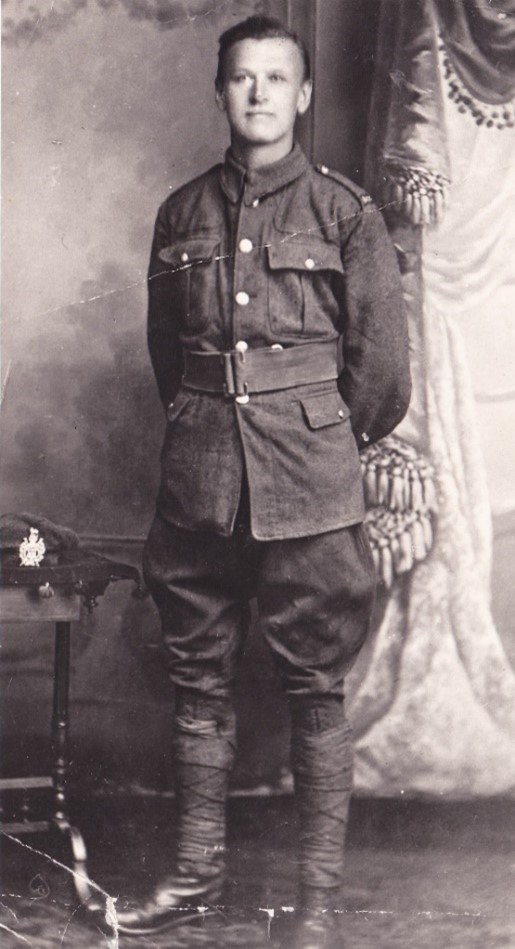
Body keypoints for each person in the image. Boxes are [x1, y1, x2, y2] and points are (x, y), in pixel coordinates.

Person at [117, 15, 411, 948]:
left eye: (275, 79)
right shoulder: (182, 213)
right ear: (220, 94)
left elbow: (382, 376)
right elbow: (170, 354)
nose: (257, 94)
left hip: (312, 489)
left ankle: (317, 902)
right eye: (241, 78)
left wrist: (322, 443)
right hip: (199, 482)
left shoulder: (345, 214)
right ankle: (195, 878)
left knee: (314, 685)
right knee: (196, 680)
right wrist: (211, 428)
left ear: (304, 96)